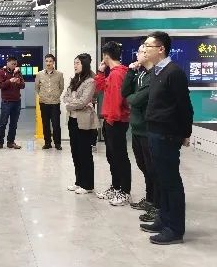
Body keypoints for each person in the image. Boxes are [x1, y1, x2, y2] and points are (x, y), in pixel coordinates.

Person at [140, 31, 193, 245]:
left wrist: (185, 133)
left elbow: (185, 107)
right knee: (161, 179)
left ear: (161, 49)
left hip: (167, 134)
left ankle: (175, 229)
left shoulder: (174, 72)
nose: (144, 49)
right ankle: (163, 219)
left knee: (171, 182)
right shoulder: (157, 71)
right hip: (154, 131)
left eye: (148, 46)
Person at [121, 44, 159, 223]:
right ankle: (150, 199)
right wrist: (130, 71)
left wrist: (131, 99)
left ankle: (156, 204)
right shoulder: (140, 73)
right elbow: (125, 92)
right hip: (136, 128)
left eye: (141, 51)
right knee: (144, 167)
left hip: (148, 130)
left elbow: (136, 100)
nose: (138, 54)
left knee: (152, 168)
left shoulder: (154, 75)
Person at [95, 41, 131, 206]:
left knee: (120, 157)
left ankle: (124, 191)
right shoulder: (114, 73)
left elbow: (117, 99)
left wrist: (111, 120)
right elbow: (101, 87)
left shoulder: (118, 74)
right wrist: (100, 72)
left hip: (115, 120)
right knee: (112, 156)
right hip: (111, 119)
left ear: (105, 56)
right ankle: (116, 187)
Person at [63, 53, 98, 194]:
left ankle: (87, 185)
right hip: (72, 119)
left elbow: (83, 101)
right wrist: (73, 102)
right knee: (75, 152)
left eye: (77, 63)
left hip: (84, 121)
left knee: (84, 153)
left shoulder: (90, 81)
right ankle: (79, 182)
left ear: (84, 64)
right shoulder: (74, 80)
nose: (75, 65)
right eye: (74, 63)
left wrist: (70, 104)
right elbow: (65, 97)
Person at [0, 56, 25, 150]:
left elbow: (23, 85)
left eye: (15, 64)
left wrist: (18, 82)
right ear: (7, 63)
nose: (14, 66)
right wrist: (10, 81)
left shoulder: (18, 73)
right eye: (12, 64)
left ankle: (11, 142)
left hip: (17, 102)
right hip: (6, 102)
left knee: (14, 123)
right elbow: (0, 85)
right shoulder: (1, 72)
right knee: (3, 123)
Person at [35, 54, 65, 150]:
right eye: (47, 61)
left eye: (50, 61)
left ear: (53, 62)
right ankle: (47, 143)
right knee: (45, 124)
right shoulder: (39, 74)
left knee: (56, 124)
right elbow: (37, 87)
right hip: (43, 102)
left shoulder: (59, 74)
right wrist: (43, 95)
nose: (48, 63)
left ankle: (57, 143)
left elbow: (61, 87)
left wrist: (55, 95)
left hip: (55, 103)